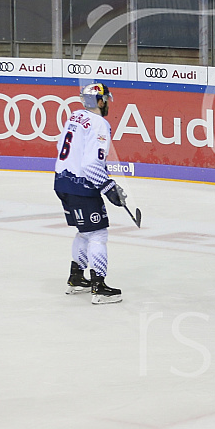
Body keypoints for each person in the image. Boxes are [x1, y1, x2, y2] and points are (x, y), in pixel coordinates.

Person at [54, 82, 125, 305]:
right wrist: (108, 187)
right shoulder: (100, 124)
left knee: (85, 231)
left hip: (61, 181)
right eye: (107, 100)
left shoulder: (75, 116)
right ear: (101, 101)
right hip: (81, 187)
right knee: (98, 234)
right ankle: (99, 287)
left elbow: (60, 146)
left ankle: (76, 278)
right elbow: (92, 164)